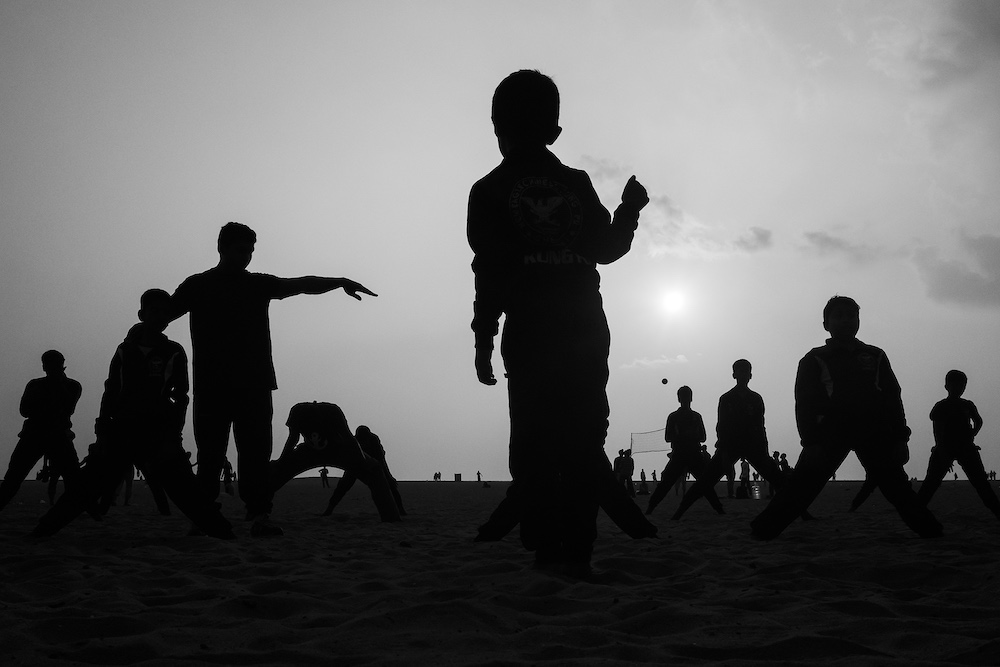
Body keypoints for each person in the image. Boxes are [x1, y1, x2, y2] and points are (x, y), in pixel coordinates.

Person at [468, 69, 653, 576]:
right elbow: (608, 249)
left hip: (531, 333)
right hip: (584, 330)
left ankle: (547, 545)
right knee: (582, 441)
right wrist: (629, 209)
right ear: (555, 131)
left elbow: (490, 273)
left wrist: (483, 339)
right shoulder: (574, 184)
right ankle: (577, 552)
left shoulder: (489, 190)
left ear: (497, 126)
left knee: (532, 441)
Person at [170, 221, 377, 537]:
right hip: (213, 387)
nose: (247, 256)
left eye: (251, 250)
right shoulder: (198, 286)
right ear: (222, 248)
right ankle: (204, 517)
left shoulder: (257, 284)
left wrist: (339, 281)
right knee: (210, 455)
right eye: (242, 249)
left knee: (254, 455)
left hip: (254, 385)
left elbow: (303, 284)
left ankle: (258, 516)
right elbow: (164, 314)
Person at [32, 290, 234, 539]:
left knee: (186, 489)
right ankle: (40, 533)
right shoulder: (124, 351)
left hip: (158, 430)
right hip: (122, 429)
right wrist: (103, 430)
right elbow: (111, 390)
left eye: (164, 312)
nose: (160, 316)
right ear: (142, 314)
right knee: (86, 487)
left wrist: (173, 432)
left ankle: (224, 534)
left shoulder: (173, 351)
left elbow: (181, 395)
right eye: (154, 311)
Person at [749, 296, 942, 540]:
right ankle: (762, 531)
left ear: (859, 321)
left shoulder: (875, 355)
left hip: (874, 431)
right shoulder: (814, 359)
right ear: (826, 324)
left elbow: (892, 398)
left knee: (897, 487)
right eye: (838, 315)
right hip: (830, 432)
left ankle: (932, 531)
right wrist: (809, 441)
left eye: (851, 315)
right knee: (801, 487)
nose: (846, 320)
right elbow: (804, 404)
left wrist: (901, 437)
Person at [672, 360, 800, 520]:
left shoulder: (756, 399)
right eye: (741, 371)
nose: (744, 374)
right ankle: (679, 512)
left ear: (750, 375)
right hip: (730, 445)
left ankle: (802, 511)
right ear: (734, 375)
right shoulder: (726, 399)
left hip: (753, 445)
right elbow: (722, 426)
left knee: (777, 478)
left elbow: (761, 426)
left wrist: (763, 451)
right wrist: (724, 451)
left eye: (747, 371)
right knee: (705, 480)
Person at [270, 402, 401, 522]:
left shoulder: (327, 412)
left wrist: (362, 461)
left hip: (334, 450)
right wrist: (282, 461)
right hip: (324, 450)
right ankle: (257, 509)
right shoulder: (316, 412)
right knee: (374, 473)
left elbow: (349, 438)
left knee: (374, 472)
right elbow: (293, 438)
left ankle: (392, 515)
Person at [0, 351, 84, 513]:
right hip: (39, 435)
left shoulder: (70, 386)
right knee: (13, 479)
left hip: (50, 436)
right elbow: (25, 410)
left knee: (73, 480)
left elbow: (67, 408)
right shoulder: (37, 385)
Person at [916, 370, 1000, 519]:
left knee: (982, 485)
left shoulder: (967, 405)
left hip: (965, 448)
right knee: (930, 485)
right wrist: (942, 450)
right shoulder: (941, 406)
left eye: (962, 385)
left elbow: (979, 421)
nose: (960, 388)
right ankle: (914, 516)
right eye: (956, 384)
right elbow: (937, 429)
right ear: (947, 386)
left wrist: (971, 435)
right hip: (946, 447)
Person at [645, 386, 724, 516]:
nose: (686, 399)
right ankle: (650, 508)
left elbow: (703, 437)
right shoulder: (675, 417)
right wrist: (685, 435)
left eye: (686, 396)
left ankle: (719, 509)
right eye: (685, 396)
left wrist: (688, 435)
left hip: (692, 454)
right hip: (681, 454)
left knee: (703, 483)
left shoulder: (693, 417)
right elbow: (668, 437)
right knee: (667, 482)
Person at [322, 425, 405, 517]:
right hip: (356, 465)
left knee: (390, 486)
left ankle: (401, 509)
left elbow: (381, 460)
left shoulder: (374, 442)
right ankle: (329, 509)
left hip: (373, 466)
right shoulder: (354, 441)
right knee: (342, 486)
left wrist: (388, 476)